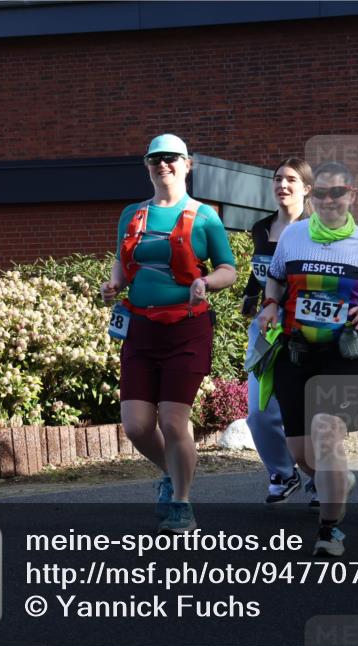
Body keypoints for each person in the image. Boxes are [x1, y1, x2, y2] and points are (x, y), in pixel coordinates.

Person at [101, 133, 237, 532]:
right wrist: (114, 285)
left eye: (171, 158)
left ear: (187, 164)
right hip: (141, 328)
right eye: (155, 159)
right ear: (147, 165)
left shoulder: (206, 216)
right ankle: (174, 472)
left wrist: (208, 283)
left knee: (175, 423)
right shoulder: (131, 214)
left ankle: (182, 501)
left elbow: (228, 267)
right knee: (137, 426)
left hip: (187, 329)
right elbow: (123, 265)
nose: (163, 165)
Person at [258, 161, 358, 556]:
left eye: (338, 193)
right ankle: (336, 479)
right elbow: (277, 278)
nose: (329, 200)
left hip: (346, 355)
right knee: (302, 453)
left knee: (326, 430)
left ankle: (330, 530)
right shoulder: (294, 237)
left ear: (352, 195)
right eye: (321, 193)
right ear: (312, 196)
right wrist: (270, 305)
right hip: (297, 352)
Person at [242, 158, 314, 504]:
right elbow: (257, 273)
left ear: (306, 189)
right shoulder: (261, 227)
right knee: (258, 409)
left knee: (308, 409)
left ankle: (319, 477)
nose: (282, 185)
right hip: (265, 331)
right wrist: (248, 303)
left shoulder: (316, 228)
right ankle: (283, 474)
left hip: (305, 332)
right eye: (278, 179)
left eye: (291, 180)